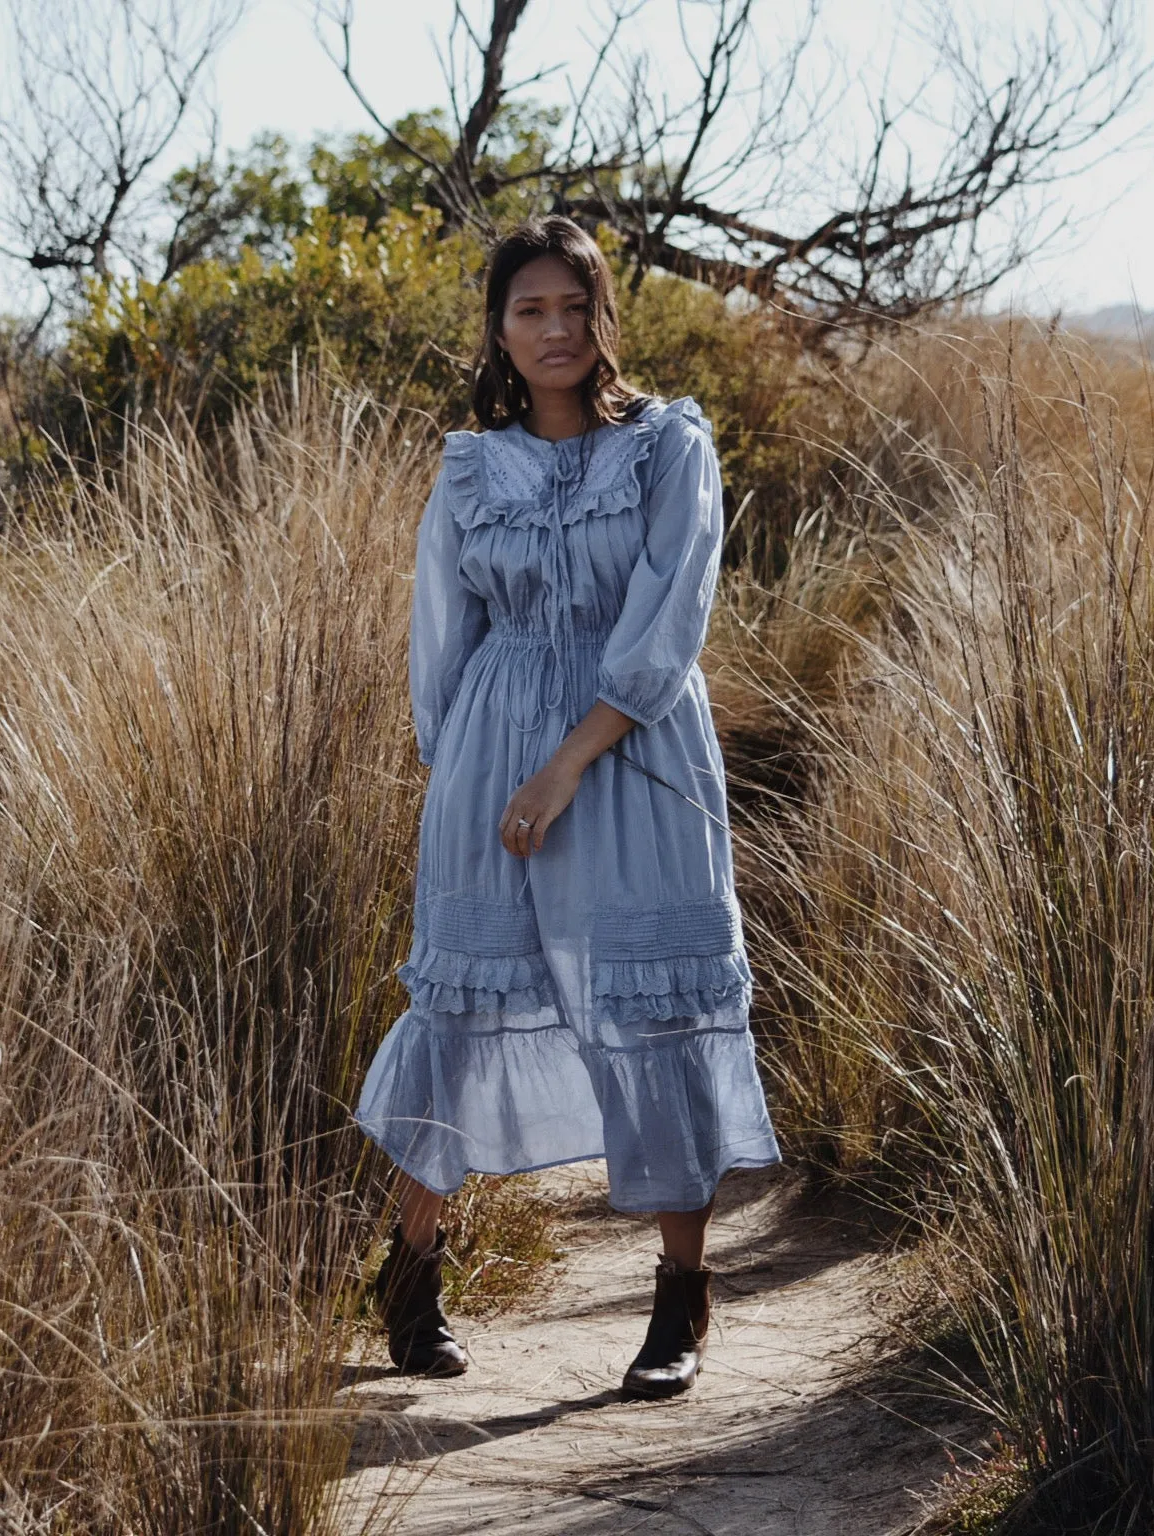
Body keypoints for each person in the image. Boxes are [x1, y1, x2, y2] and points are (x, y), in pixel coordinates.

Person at [356, 214, 780, 1400]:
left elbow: (666, 624)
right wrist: (467, 782)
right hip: (492, 764)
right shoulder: (468, 464)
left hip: (634, 754)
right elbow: (442, 638)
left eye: (575, 307)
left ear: (605, 320)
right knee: (457, 1003)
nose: (555, 329)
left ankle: (679, 1300)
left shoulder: (667, 446)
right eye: (529, 309)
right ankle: (410, 1275)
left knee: (655, 1009)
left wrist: (567, 762)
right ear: (498, 326)